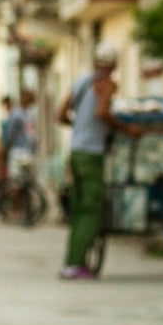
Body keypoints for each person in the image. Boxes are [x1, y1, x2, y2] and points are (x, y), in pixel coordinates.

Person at [56, 43, 136, 278]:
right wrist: (124, 128)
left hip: (75, 152)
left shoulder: (81, 82)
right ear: (114, 65)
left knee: (79, 209)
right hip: (91, 154)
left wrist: (80, 127)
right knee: (91, 209)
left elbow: (61, 115)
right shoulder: (108, 84)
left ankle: (70, 262)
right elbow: (102, 112)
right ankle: (75, 266)